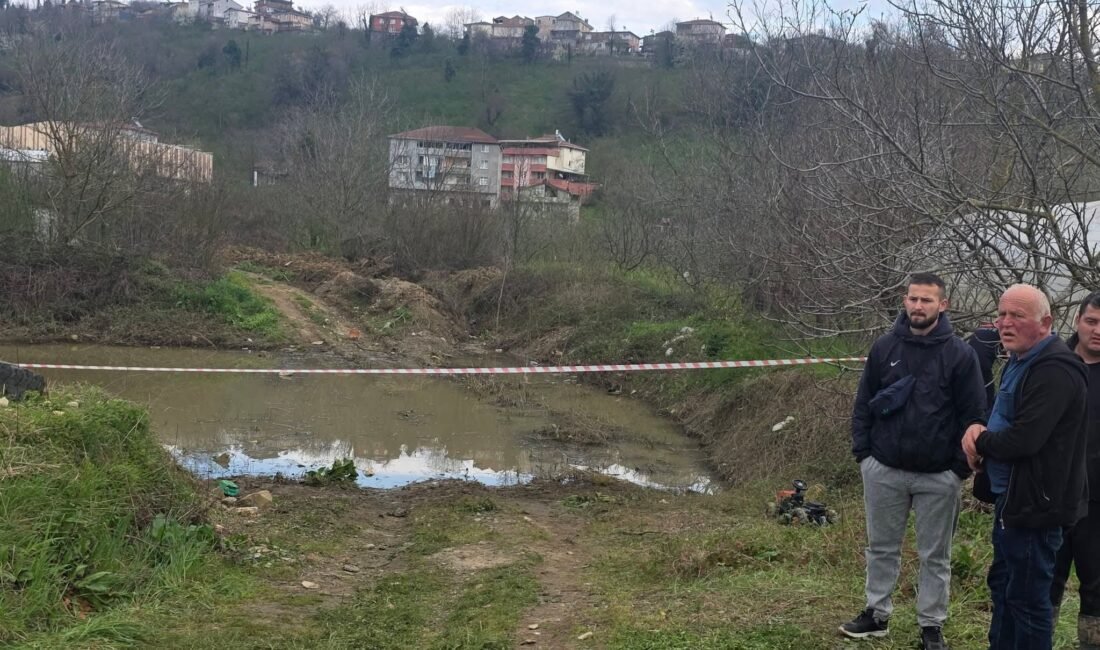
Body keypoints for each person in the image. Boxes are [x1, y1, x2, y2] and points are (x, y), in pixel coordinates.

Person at [841, 272, 987, 650]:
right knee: (881, 546)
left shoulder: (960, 354)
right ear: (904, 301)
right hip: (884, 469)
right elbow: (863, 405)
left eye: (926, 300)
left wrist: (957, 469)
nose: (918, 306)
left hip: (938, 475)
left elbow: (973, 414)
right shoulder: (884, 348)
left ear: (944, 304)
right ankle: (876, 614)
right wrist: (864, 456)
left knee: (935, 556)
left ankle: (931, 627)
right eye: (913, 299)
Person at [962, 284, 1089, 650]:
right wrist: (982, 432)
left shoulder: (1055, 370)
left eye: (1017, 316)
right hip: (1012, 501)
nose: (1005, 323)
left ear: (1046, 322)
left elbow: (1024, 440)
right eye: (1001, 315)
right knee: (1004, 589)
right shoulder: (1020, 361)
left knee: (1030, 602)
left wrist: (977, 440)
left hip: (1037, 508)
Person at [1050, 291, 1100, 649]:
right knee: (1044, 583)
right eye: (1091, 321)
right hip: (1051, 497)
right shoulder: (1053, 366)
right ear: (1077, 321)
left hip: (1098, 503)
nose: (1097, 331)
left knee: (1097, 588)